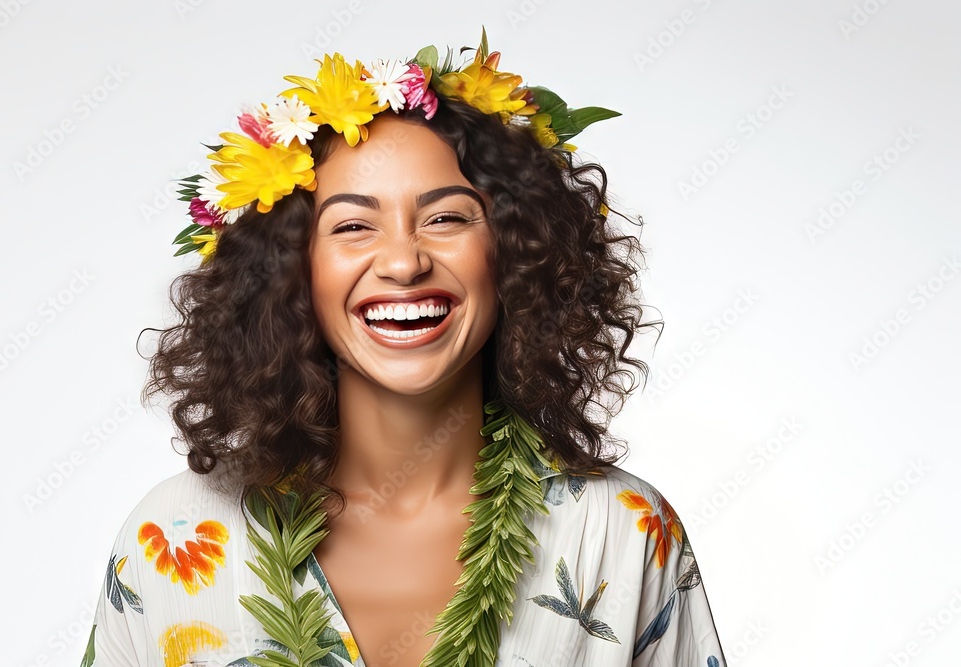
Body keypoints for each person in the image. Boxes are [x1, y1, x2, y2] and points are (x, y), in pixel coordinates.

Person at [80, 30, 726, 667]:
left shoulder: (623, 534)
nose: (403, 261)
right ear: (287, 272)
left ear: (516, 250)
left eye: (445, 217)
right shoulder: (168, 540)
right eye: (354, 225)